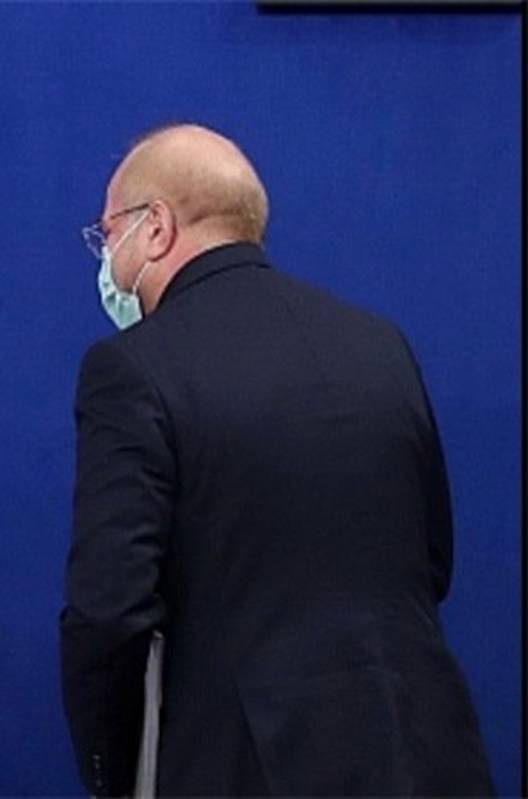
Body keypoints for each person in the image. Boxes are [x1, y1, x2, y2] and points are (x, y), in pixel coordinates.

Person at [60, 123, 494, 797]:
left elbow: (110, 609)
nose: (107, 259)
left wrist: (109, 769)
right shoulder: (381, 346)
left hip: (251, 766)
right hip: (426, 753)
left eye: (108, 233)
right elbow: (432, 561)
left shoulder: (133, 368)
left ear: (156, 228)